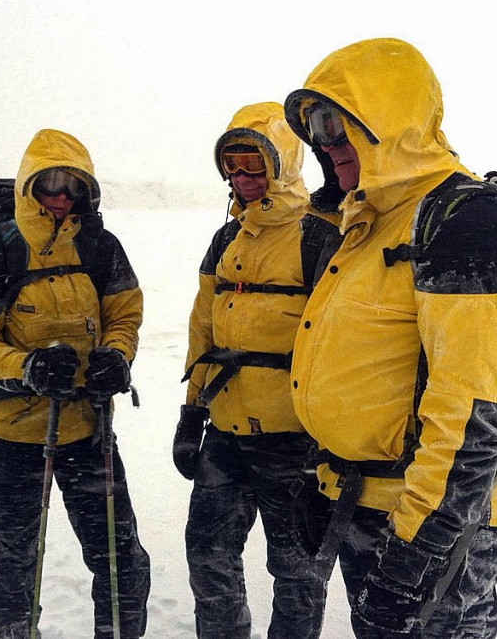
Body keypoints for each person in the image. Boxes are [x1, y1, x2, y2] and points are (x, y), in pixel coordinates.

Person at [283, 37, 497, 638]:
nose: (326, 145)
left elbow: (472, 418)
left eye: (336, 125)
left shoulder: (466, 221)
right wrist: (325, 476)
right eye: (316, 130)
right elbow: (364, 370)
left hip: (434, 526)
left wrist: (418, 552)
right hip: (365, 505)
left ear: (387, 122)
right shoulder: (368, 221)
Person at [0, 128, 150, 639]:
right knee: (16, 555)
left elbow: (124, 315)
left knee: (118, 555)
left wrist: (116, 356)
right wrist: (27, 367)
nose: (61, 197)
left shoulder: (100, 246)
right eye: (50, 184)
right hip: (16, 434)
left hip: (89, 430)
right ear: (28, 186)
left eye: (73, 186)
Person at [175, 102, 340, 638]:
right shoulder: (226, 240)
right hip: (225, 432)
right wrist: (191, 413)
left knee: (298, 571)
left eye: (254, 163)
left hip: (295, 440)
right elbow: (203, 329)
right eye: (232, 165)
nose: (242, 177)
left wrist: (332, 442)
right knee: (208, 554)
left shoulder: (320, 237)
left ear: (283, 165)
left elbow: (340, 346)